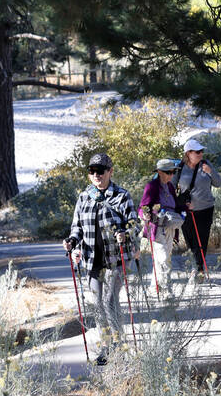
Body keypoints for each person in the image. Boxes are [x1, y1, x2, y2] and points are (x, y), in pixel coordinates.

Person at [63, 152, 139, 365]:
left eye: (100, 171)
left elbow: (135, 224)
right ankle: (106, 349)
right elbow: (76, 227)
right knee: (98, 304)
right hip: (91, 260)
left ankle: (119, 347)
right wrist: (71, 241)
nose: (96, 175)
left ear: (110, 172)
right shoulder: (83, 197)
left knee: (110, 301)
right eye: (92, 171)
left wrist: (125, 233)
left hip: (116, 259)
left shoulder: (121, 196)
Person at [173, 137, 221, 273]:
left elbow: (218, 183)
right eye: (197, 152)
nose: (201, 154)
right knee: (190, 240)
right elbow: (171, 188)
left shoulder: (206, 164)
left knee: (202, 240)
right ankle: (194, 265)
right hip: (187, 211)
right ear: (188, 153)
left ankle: (199, 269)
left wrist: (210, 172)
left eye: (201, 151)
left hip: (206, 209)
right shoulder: (180, 168)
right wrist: (180, 203)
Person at [140, 158, 184, 290]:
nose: (171, 175)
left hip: (170, 227)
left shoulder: (170, 186)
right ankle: (165, 288)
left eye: (173, 172)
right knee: (163, 258)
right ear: (159, 172)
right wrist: (146, 214)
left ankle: (155, 287)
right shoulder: (152, 186)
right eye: (168, 172)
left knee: (165, 258)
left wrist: (185, 208)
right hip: (157, 227)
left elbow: (175, 205)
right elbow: (142, 207)